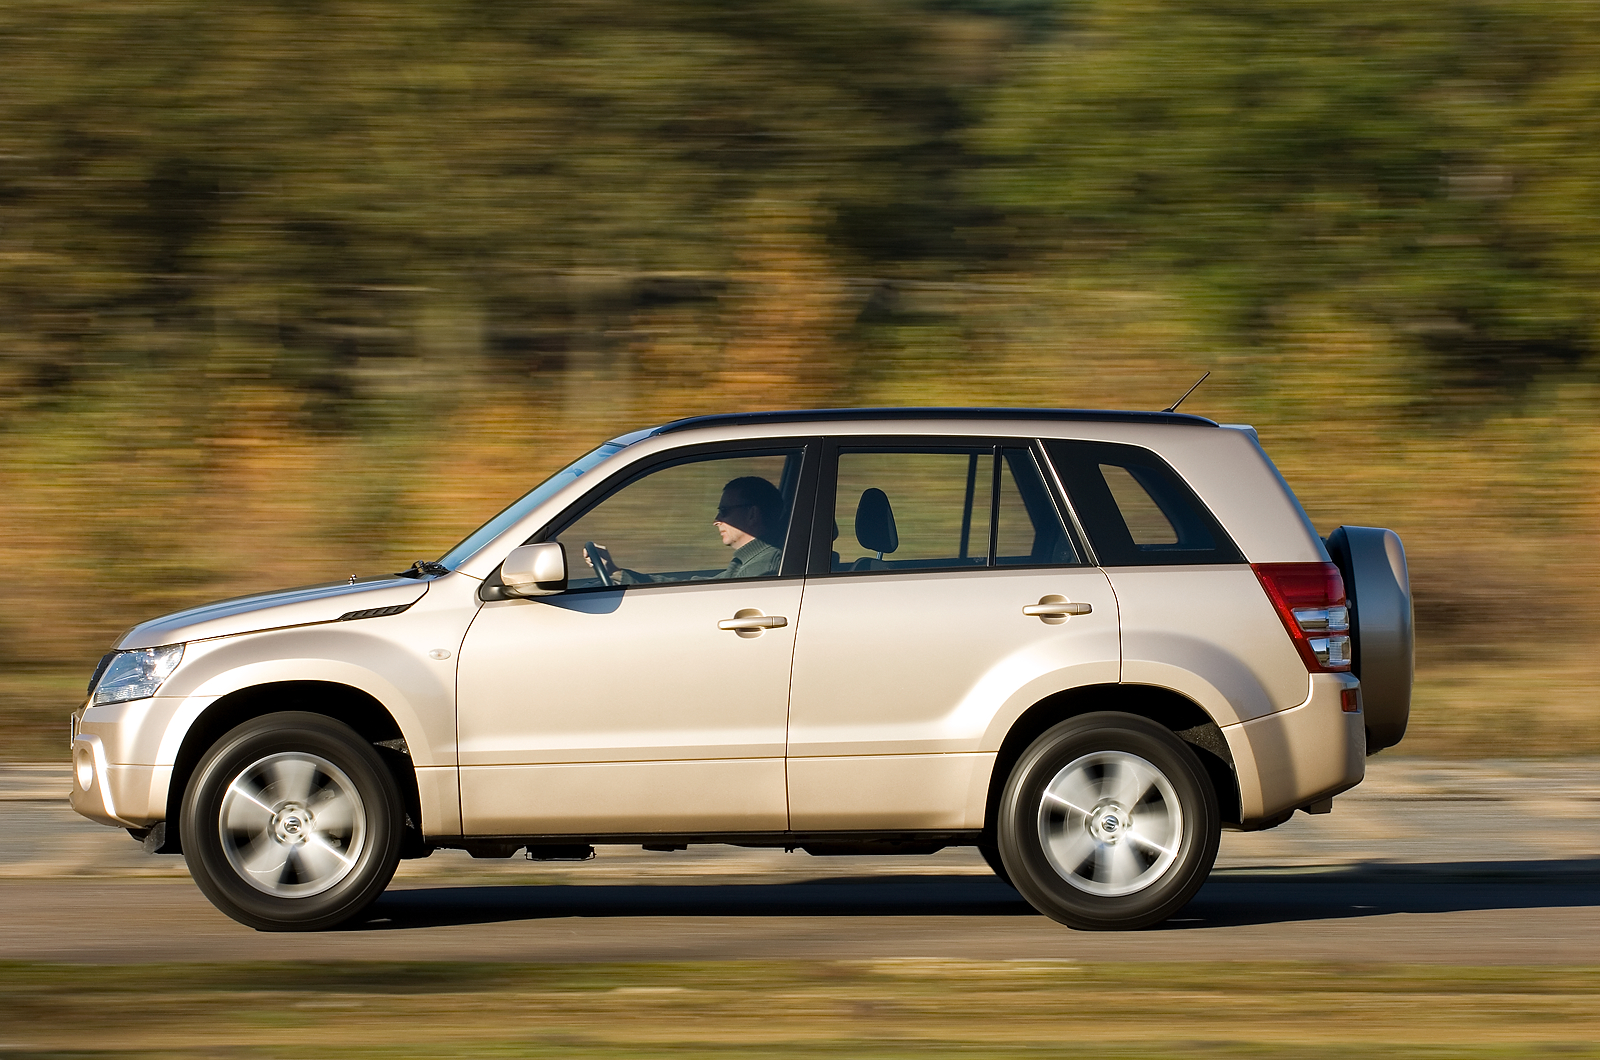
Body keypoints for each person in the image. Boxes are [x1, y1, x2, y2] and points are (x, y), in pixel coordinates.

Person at [585, 475, 784, 583]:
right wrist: (617, 573)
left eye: (724, 511)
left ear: (752, 514)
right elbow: (699, 586)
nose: (716, 520)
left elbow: (708, 601)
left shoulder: (766, 566)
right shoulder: (749, 561)